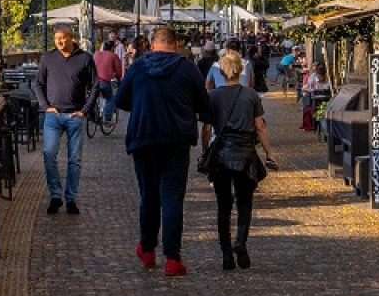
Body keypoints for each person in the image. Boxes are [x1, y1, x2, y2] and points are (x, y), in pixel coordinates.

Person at [115, 25, 210, 277]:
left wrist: (142, 102)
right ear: (175, 44)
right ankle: (172, 257)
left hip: (144, 137)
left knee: (149, 196)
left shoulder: (138, 67)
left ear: (153, 44)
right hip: (176, 139)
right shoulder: (187, 68)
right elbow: (203, 103)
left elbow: (120, 100)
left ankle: (147, 249)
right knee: (172, 197)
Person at [200, 50, 277, 270]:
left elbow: (206, 129)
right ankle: (240, 241)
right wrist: (269, 153)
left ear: (221, 71)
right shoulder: (251, 95)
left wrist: (206, 151)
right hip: (245, 153)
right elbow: (260, 126)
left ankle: (226, 256)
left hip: (222, 154)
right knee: (245, 204)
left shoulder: (212, 97)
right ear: (240, 70)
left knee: (223, 207)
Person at [36, 25, 97, 214]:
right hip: (53, 116)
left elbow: (95, 85)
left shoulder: (85, 58)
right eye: (56, 38)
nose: (60, 42)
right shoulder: (47, 58)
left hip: (74, 115)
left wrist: (85, 110)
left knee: (74, 159)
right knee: (49, 154)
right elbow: (38, 84)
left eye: (63, 38)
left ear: (71, 38)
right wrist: (46, 107)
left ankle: (70, 198)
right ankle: (55, 195)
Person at [92, 38, 125, 126]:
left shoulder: (96, 54)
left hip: (93, 81)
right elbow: (118, 71)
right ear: (113, 48)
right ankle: (107, 119)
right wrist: (119, 81)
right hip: (104, 81)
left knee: (93, 97)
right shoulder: (113, 56)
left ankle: (92, 115)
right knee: (109, 98)